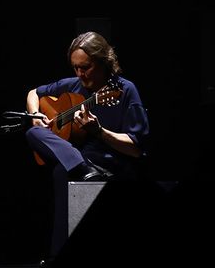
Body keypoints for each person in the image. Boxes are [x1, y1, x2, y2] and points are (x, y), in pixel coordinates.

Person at [24, 31, 149, 182]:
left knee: (61, 171)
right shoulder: (73, 85)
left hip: (110, 164)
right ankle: (82, 167)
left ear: (103, 62)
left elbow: (136, 149)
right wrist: (35, 114)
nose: (79, 74)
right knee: (33, 132)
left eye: (85, 67)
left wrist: (99, 131)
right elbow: (33, 93)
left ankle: (83, 169)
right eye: (75, 67)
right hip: (81, 159)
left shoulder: (124, 90)